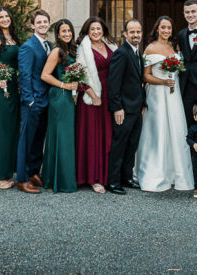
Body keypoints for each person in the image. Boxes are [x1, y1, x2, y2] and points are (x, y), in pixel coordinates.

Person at [135, 16, 195, 192]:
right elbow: (145, 75)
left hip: (173, 94)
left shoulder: (174, 47)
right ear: (157, 29)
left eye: (169, 28)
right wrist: (162, 82)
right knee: (158, 130)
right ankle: (156, 173)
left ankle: (177, 173)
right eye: (163, 27)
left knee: (176, 130)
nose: (166, 31)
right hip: (157, 93)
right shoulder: (150, 48)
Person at [75, 17, 115, 193]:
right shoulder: (83, 49)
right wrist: (93, 94)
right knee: (93, 136)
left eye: (99, 29)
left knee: (107, 135)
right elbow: (80, 75)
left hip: (109, 94)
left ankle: (107, 175)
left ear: (103, 30)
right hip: (92, 97)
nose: (96, 32)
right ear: (87, 31)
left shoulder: (110, 46)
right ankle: (93, 177)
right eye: (93, 29)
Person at [106, 19, 145, 195]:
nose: (135, 35)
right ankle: (113, 182)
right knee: (119, 145)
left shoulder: (137, 52)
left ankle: (127, 178)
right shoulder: (121, 53)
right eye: (132, 32)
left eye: (138, 32)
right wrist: (117, 107)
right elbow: (113, 83)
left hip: (136, 109)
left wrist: (143, 103)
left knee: (132, 145)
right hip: (123, 109)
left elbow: (138, 82)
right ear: (125, 34)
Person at [40, 20, 79, 193]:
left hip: (70, 98)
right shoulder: (56, 51)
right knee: (60, 137)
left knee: (67, 137)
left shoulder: (73, 50)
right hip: (59, 96)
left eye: (69, 30)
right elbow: (45, 75)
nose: (67, 34)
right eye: (63, 31)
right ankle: (55, 179)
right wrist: (64, 86)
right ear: (58, 33)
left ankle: (66, 177)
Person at [17, 9, 52, 194]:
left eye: (45, 21)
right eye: (39, 22)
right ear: (32, 25)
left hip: (45, 101)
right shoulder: (28, 47)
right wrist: (29, 100)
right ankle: (22, 179)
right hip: (32, 102)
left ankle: (33, 172)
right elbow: (24, 75)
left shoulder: (49, 45)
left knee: (39, 140)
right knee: (26, 141)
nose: (42, 24)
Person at [0, 6, 21, 189]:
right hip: (1, 89)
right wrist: (0, 80)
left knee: (11, 130)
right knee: (1, 132)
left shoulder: (13, 38)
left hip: (13, 89)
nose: (5, 19)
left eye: (7, 16)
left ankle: (2, 173)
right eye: (1, 17)